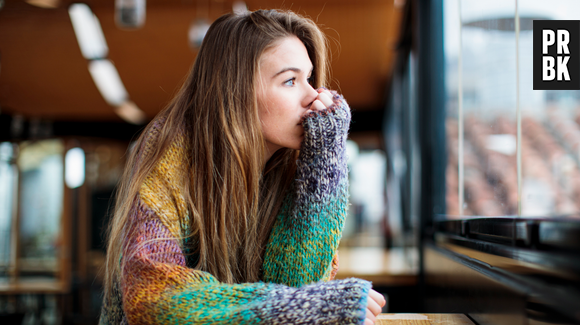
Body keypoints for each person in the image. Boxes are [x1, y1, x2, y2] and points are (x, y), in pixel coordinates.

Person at [100, 9, 385, 325]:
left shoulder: (288, 167)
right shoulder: (170, 155)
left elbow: (294, 285)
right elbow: (155, 299)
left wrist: (324, 158)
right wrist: (316, 306)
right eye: (290, 80)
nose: (313, 95)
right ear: (236, 91)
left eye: (309, 78)